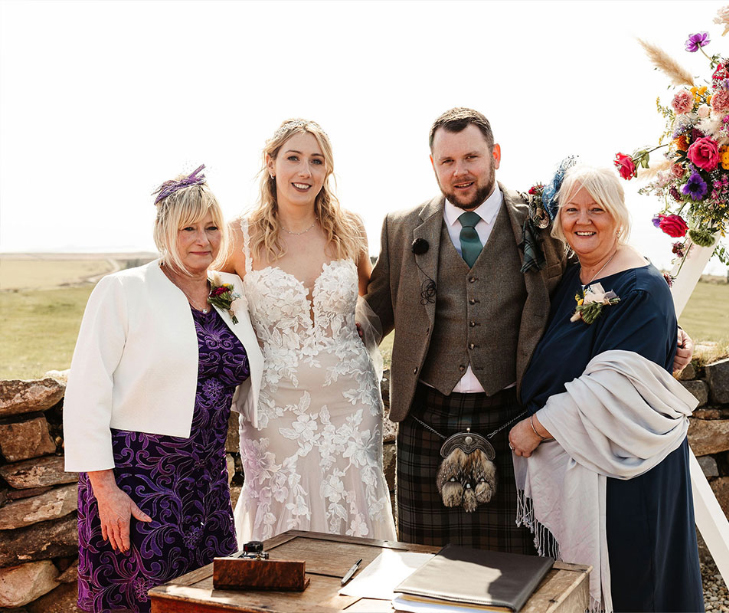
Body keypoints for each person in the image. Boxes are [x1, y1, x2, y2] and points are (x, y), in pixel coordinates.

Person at [364, 108, 694, 552]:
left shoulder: (541, 224)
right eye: (447, 161)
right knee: (424, 565)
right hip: (426, 416)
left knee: (513, 570)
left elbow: (598, 269)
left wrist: (659, 333)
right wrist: (318, 345)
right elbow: (375, 311)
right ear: (433, 165)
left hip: (510, 415)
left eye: (472, 157)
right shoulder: (401, 227)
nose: (460, 172)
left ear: (495, 155)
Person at [64, 165, 263, 613]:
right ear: (164, 233)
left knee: (209, 602)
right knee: (144, 603)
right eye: (188, 228)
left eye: (212, 228)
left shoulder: (228, 290)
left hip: (208, 484)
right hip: (139, 483)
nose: (203, 239)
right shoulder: (123, 289)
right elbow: (86, 392)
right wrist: (105, 490)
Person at [509, 165, 704, 612]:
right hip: (583, 460)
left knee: (634, 583)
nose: (583, 220)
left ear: (618, 215)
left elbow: (615, 391)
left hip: (625, 474)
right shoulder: (574, 275)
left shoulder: (642, 288)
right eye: (572, 209)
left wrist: (538, 427)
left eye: (596, 209)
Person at [222, 119, 396, 543]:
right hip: (276, 408)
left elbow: (373, 298)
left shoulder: (350, 228)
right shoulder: (237, 236)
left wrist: (354, 323)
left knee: (354, 504)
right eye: (293, 158)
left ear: (327, 171)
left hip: (351, 402)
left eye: (316, 161)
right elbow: (206, 300)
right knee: (284, 511)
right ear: (271, 163)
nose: (305, 171)